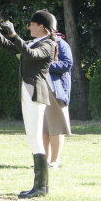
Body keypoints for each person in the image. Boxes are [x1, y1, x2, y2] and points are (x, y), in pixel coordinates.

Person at [0, 9, 57, 199]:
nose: (30, 27)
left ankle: (40, 187)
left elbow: (31, 54)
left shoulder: (48, 44)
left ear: (41, 26)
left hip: (35, 93)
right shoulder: (36, 41)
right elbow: (12, 46)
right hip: (27, 91)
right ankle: (42, 186)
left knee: (35, 138)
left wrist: (14, 33)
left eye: (32, 24)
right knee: (33, 138)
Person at [43, 16, 73, 169]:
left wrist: (45, 64)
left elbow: (67, 64)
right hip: (39, 90)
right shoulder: (37, 44)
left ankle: (55, 161)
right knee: (43, 128)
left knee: (55, 127)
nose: (30, 28)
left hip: (56, 89)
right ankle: (44, 160)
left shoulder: (61, 43)